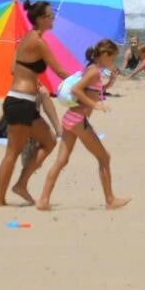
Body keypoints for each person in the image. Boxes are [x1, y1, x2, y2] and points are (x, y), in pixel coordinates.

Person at [0, 0, 71, 207]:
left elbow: (14, 69)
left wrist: (30, 78)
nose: (53, 18)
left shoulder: (26, 39)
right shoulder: (37, 42)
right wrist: (84, 82)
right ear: (40, 19)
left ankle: (15, 188)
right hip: (21, 103)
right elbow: (59, 71)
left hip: (18, 100)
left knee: (45, 143)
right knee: (15, 152)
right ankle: (6, 196)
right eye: (50, 15)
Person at [35, 41, 128, 211]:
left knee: (61, 161)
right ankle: (110, 200)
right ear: (105, 55)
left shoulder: (91, 69)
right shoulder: (93, 71)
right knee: (104, 158)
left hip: (70, 118)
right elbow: (76, 90)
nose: (113, 62)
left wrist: (109, 83)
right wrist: (95, 106)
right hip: (78, 120)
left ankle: (43, 200)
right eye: (113, 58)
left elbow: (92, 91)